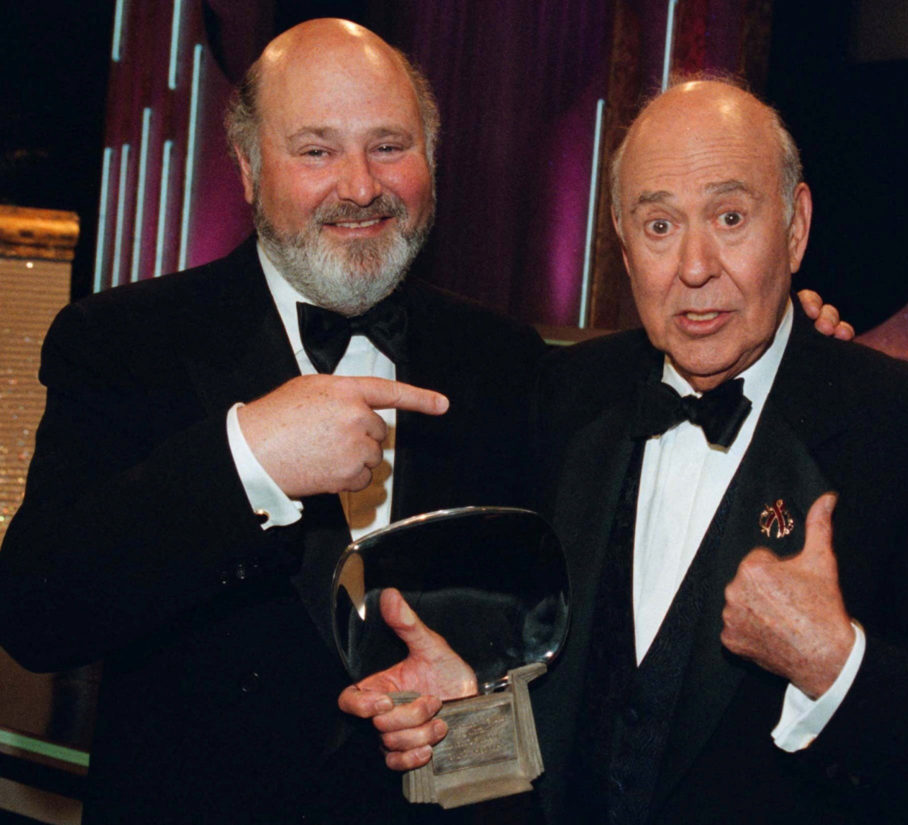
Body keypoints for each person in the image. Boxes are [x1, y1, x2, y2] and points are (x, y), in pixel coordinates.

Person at [0, 18, 845, 822]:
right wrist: (246, 460)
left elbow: (683, 358)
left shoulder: (504, 359)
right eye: (317, 150)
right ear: (251, 167)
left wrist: (789, 335)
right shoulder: (122, 340)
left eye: (390, 147)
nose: (361, 186)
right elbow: (39, 612)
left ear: (432, 163)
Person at [343, 77, 908, 824]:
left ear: (795, 227)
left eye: (730, 217)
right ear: (624, 245)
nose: (695, 266)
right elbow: (543, 730)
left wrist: (838, 671)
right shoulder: (558, 401)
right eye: (660, 225)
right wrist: (466, 716)